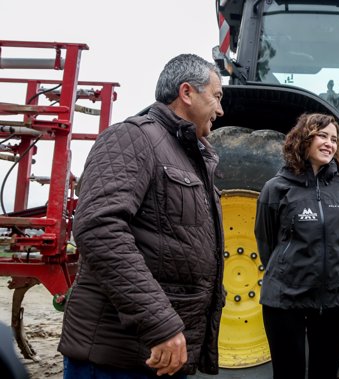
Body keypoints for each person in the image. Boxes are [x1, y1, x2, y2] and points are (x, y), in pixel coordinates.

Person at [58, 54, 226, 378]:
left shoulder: (190, 158)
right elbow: (98, 227)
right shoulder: (133, 138)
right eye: (216, 97)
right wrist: (160, 324)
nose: (221, 110)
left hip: (160, 356)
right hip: (118, 359)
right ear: (187, 92)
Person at [254, 113, 339, 379]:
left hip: (333, 300)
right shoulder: (276, 188)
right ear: (303, 140)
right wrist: (288, 270)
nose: (329, 144)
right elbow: (266, 242)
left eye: (334, 139)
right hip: (286, 300)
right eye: (322, 136)